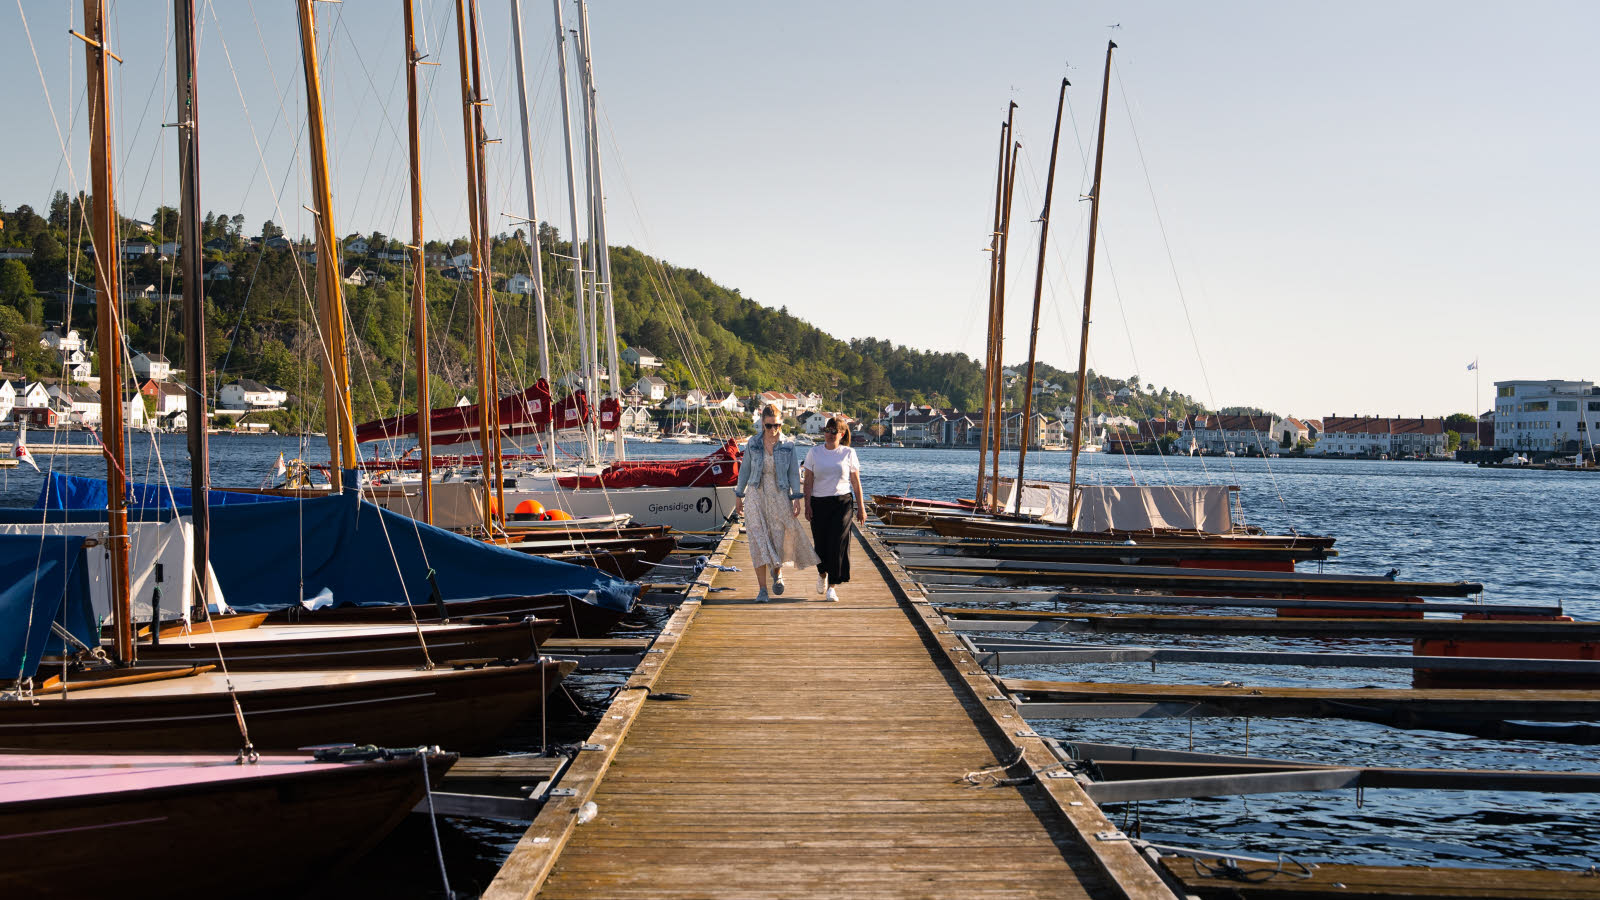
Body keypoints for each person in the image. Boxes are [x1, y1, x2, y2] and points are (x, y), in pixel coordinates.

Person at [733, 405, 818, 603]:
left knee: (778, 539)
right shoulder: (753, 443)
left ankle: (777, 572)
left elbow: (793, 474)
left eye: (777, 425)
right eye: (770, 425)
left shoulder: (788, 445)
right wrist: (739, 495)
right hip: (756, 494)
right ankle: (762, 589)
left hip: (779, 495)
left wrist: (796, 498)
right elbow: (744, 470)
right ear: (763, 423)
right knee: (758, 540)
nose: (774, 430)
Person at [803, 416, 865, 602]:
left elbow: (855, 482)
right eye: (827, 431)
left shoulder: (848, 453)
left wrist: (861, 507)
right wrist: (807, 504)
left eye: (833, 431)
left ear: (842, 434)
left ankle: (832, 587)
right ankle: (822, 574)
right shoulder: (814, 452)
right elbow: (808, 482)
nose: (829, 435)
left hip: (842, 503)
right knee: (821, 544)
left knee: (837, 543)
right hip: (819, 502)